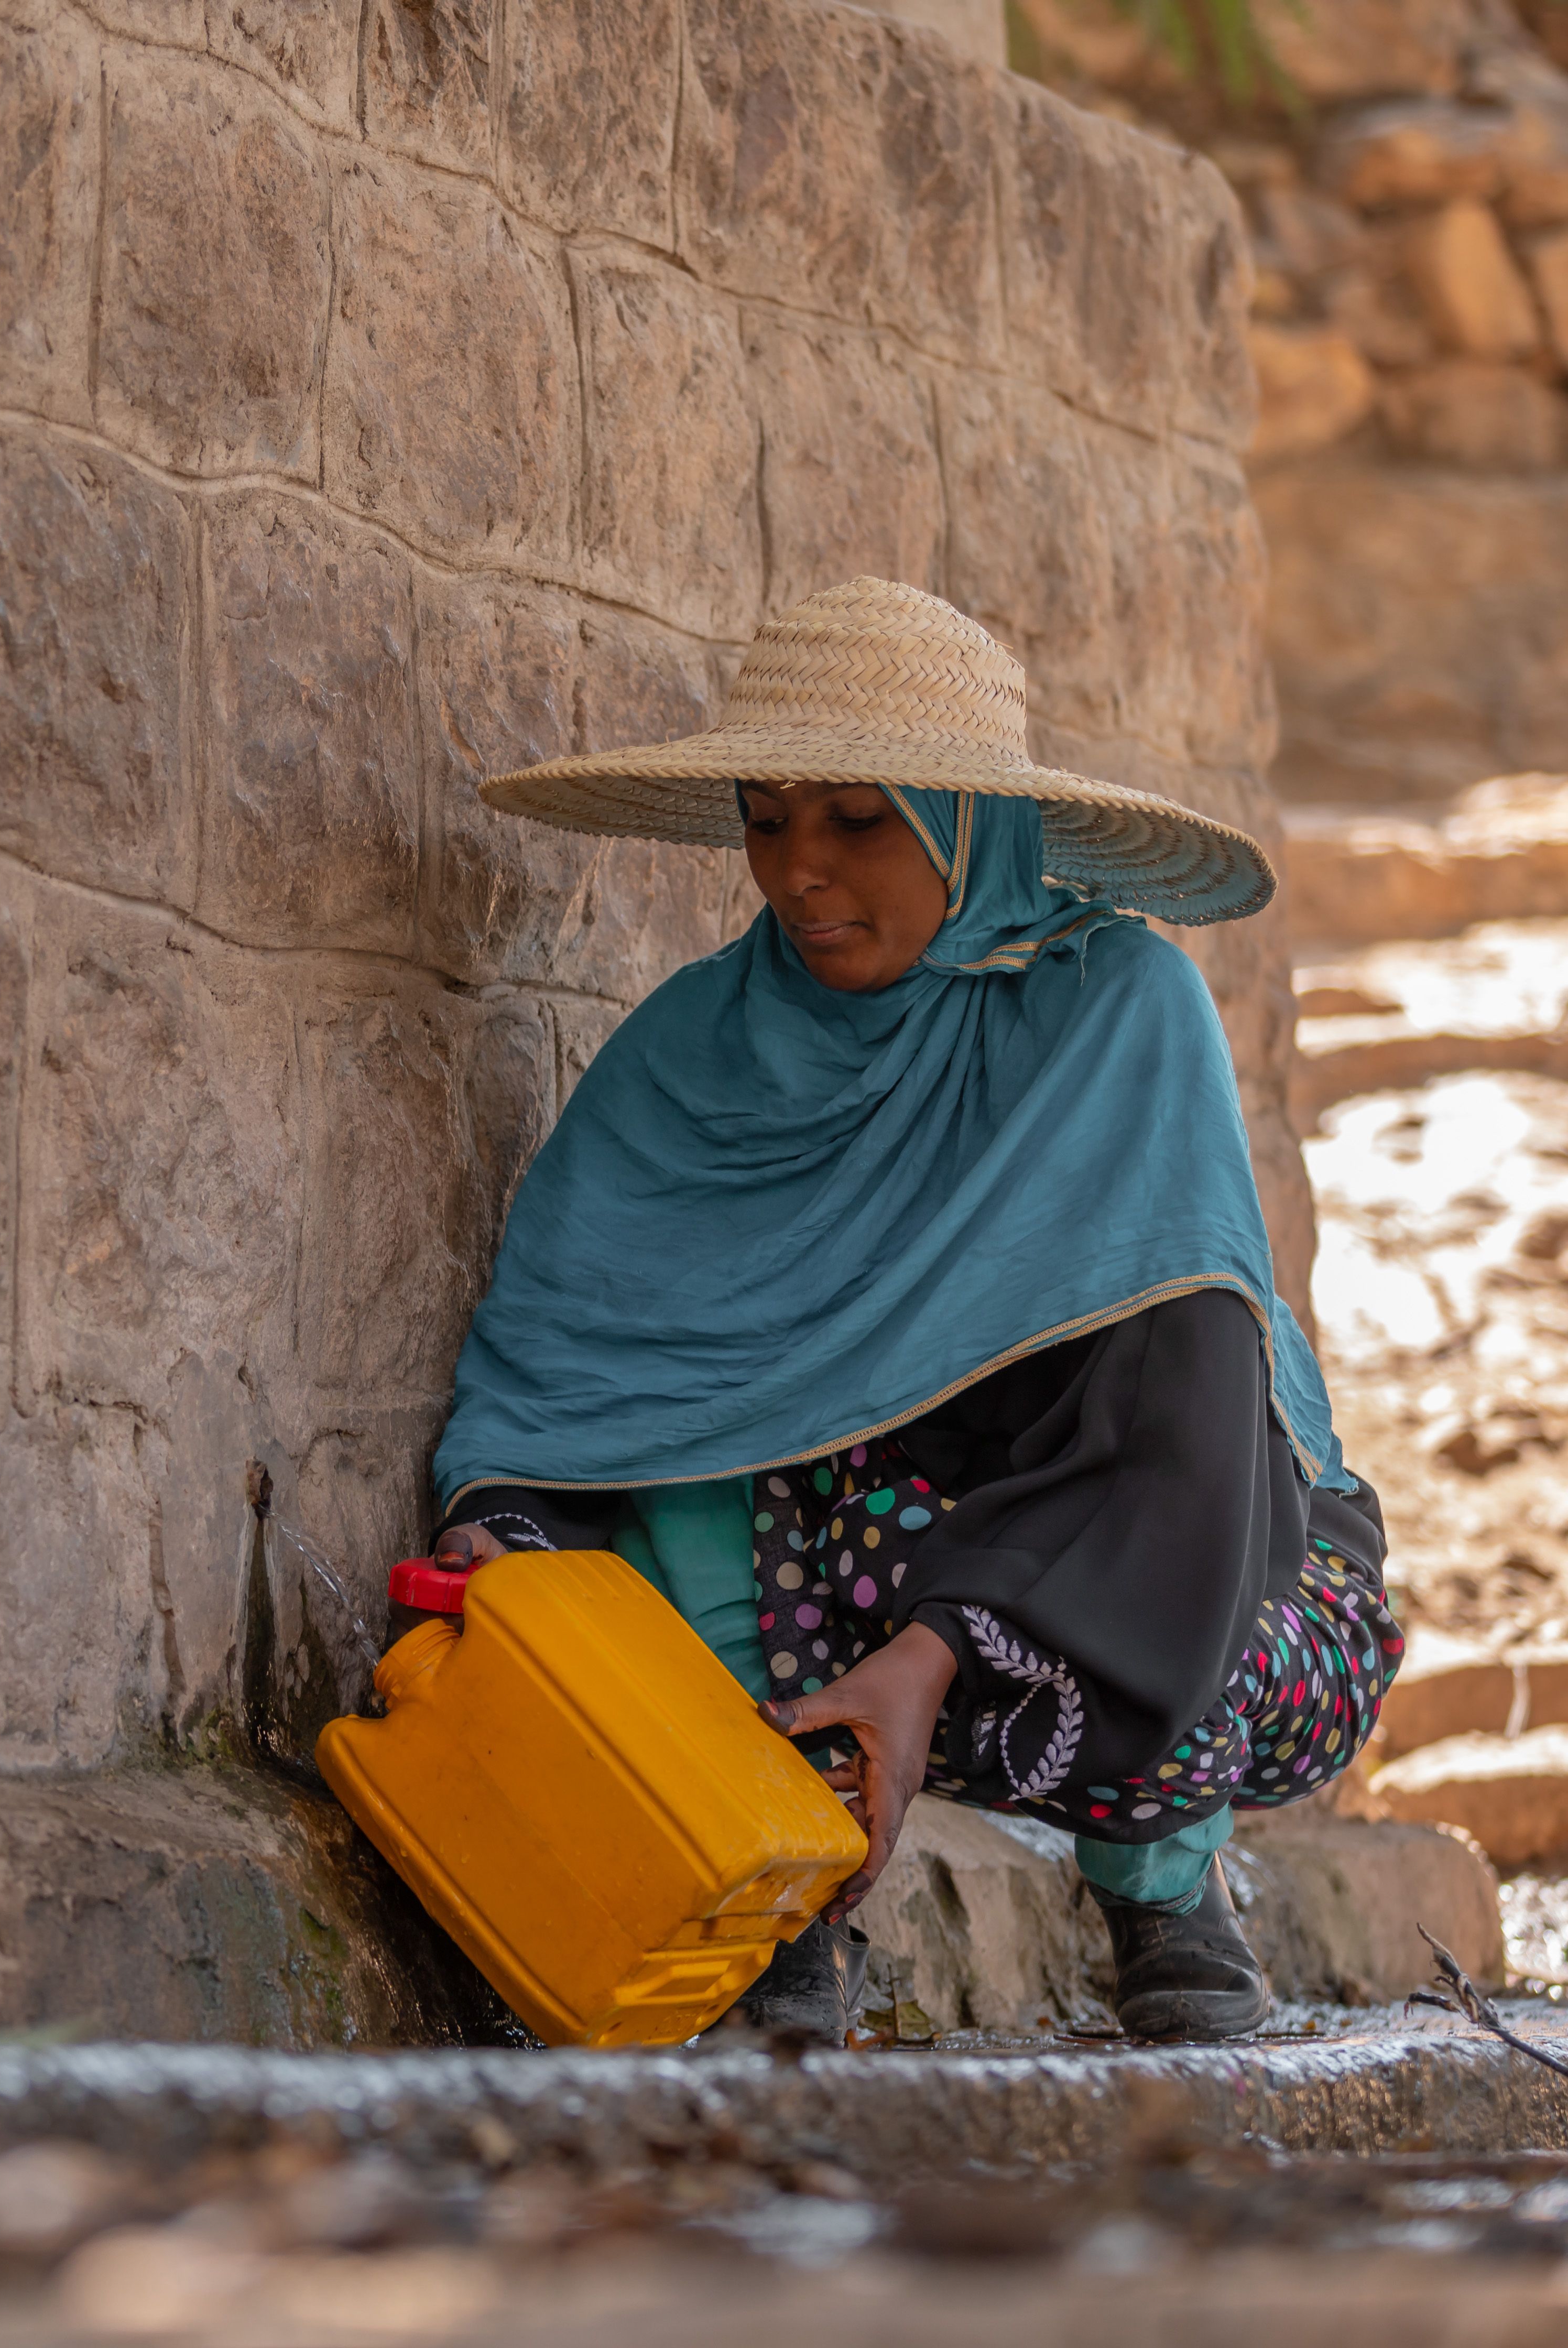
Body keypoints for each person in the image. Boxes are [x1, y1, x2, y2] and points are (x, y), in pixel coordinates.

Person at [424, 577, 1399, 2043]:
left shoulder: (1121, 1011)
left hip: (1163, 1584)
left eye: (859, 822)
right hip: (839, 1576)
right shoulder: (691, 1056)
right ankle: (776, 1877)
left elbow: (1187, 1414)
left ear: (971, 828)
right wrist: (501, 1523)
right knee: (669, 1483)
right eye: (768, 819)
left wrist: (940, 1657)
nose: (799, 873)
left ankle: (1162, 1883)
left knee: (1190, 1472)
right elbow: (577, 1371)